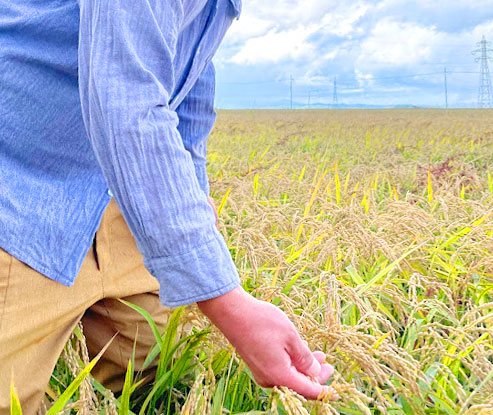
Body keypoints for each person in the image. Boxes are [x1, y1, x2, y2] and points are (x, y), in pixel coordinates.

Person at [0, 0, 334, 413]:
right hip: (22, 194)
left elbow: (190, 86)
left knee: (157, 382)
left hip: (121, 194)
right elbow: (126, 103)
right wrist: (229, 304)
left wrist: (193, 192)